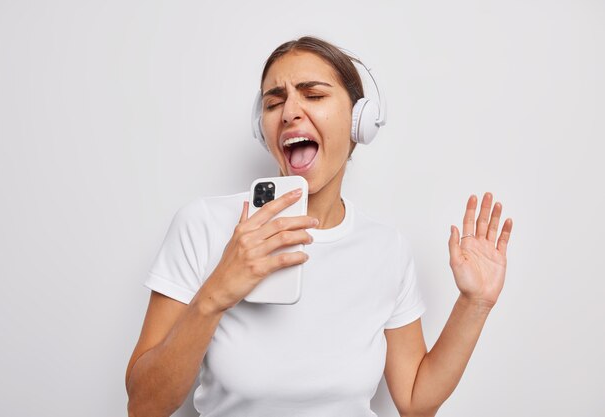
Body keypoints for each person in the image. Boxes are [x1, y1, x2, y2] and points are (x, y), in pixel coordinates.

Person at [125, 36, 513, 417]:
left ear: (359, 121)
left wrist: (474, 304)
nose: (290, 111)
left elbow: (415, 401)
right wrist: (216, 293)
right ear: (263, 128)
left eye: (313, 95)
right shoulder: (204, 226)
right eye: (274, 101)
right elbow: (144, 406)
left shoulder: (386, 248)